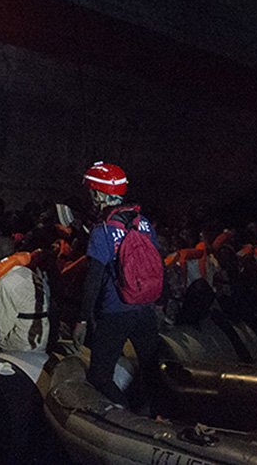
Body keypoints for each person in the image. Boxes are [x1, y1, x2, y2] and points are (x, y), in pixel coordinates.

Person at [74, 162, 162, 410]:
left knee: (100, 377)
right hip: (145, 310)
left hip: (116, 311)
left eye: (92, 193)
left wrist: (82, 319)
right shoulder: (144, 223)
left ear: (99, 194)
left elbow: (93, 279)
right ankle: (159, 416)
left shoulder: (102, 230)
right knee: (151, 369)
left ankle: (130, 419)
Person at [0, 237, 52, 352]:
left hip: (23, 342)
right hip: (43, 335)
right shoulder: (30, 273)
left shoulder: (6, 281)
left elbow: (3, 322)